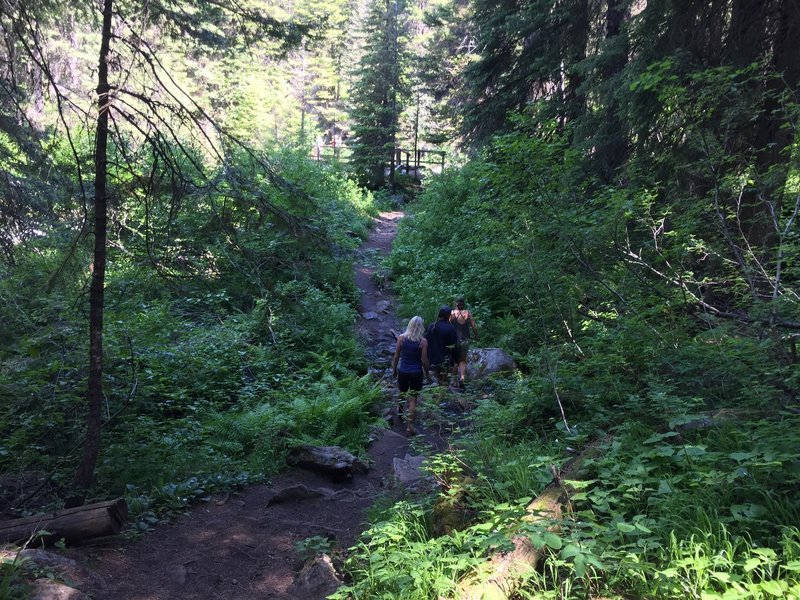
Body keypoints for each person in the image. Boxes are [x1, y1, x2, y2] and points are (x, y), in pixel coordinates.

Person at [391, 316, 431, 435]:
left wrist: (394, 369)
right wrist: (427, 374)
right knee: (413, 399)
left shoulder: (401, 338)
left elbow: (396, 356)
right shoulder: (423, 342)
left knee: (402, 393)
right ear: (421, 327)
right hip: (416, 373)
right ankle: (409, 426)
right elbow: (424, 360)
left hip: (403, 371)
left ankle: (400, 411)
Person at [450, 297, 478, 390]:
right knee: (462, 360)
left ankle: (453, 380)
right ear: (463, 304)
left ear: (455, 303)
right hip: (465, 340)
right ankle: (462, 379)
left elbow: (447, 326)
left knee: (455, 361)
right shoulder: (468, 313)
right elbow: (473, 326)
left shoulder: (452, 314)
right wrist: (476, 336)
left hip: (454, 340)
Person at [425, 306, 458, 387]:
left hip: (433, 359)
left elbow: (426, 342)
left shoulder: (431, 326)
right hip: (445, 360)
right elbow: (453, 346)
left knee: (440, 380)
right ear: (448, 315)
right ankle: (443, 395)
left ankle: (440, 392)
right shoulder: (450, 328)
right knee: (445, 381)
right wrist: (456, 360)